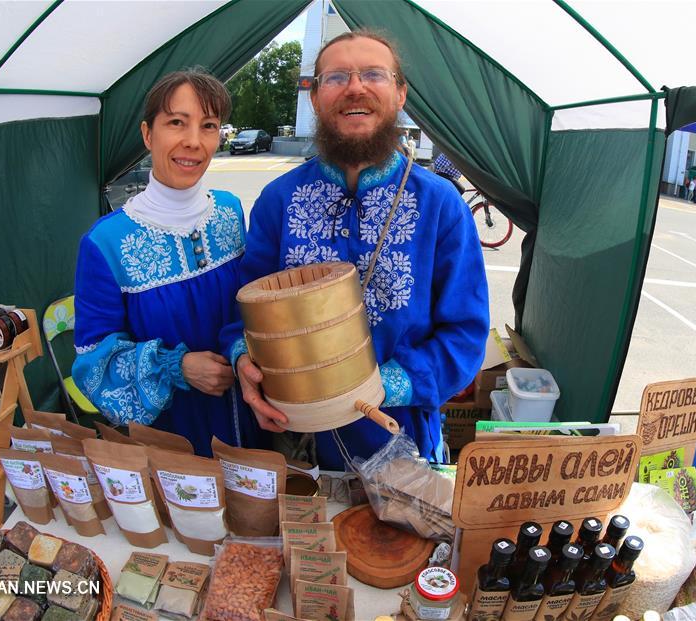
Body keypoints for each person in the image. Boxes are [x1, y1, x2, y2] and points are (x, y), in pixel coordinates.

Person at [221, 30, 489, 469]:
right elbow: (240, 314)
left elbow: (465, 335)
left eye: (373, 74)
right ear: (314, 98)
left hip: (400, 442)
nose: (355, 87)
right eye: (336, 77)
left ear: (400, 93)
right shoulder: (279, 200)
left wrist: (376, 389)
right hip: (293, 442)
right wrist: (243, 366)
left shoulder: (441, 204)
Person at [72, 69, 256, 455]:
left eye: (208, 126)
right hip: (174, 437)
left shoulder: (230, 211)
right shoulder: (106, 243)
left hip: (251, 416)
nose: (193, 141)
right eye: (176, 122)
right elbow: (94, 366)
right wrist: (178, 367)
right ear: (147, 134)